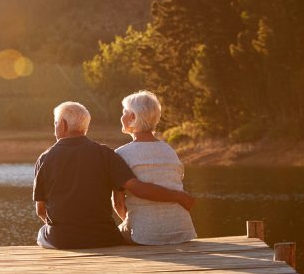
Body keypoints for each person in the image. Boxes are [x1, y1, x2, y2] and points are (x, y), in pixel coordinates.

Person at [33, 101, 194, 249]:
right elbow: (136, 187)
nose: (55, 128)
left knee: (42, 234)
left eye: (55, 123)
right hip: (104, 237)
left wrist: (67, 230)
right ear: (85, 127)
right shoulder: (106, 154)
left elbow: (40, 210)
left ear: (62, 125)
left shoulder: (44, 158)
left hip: (62, 239)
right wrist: (178, 196)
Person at [113, 90, 197, 245]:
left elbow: (118, 203)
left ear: (133, 117)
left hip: (144, 235)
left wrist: (140, 225)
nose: (121, 117)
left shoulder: (120, 154)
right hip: (182, 231)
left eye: (124, 112)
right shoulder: (170, 151)